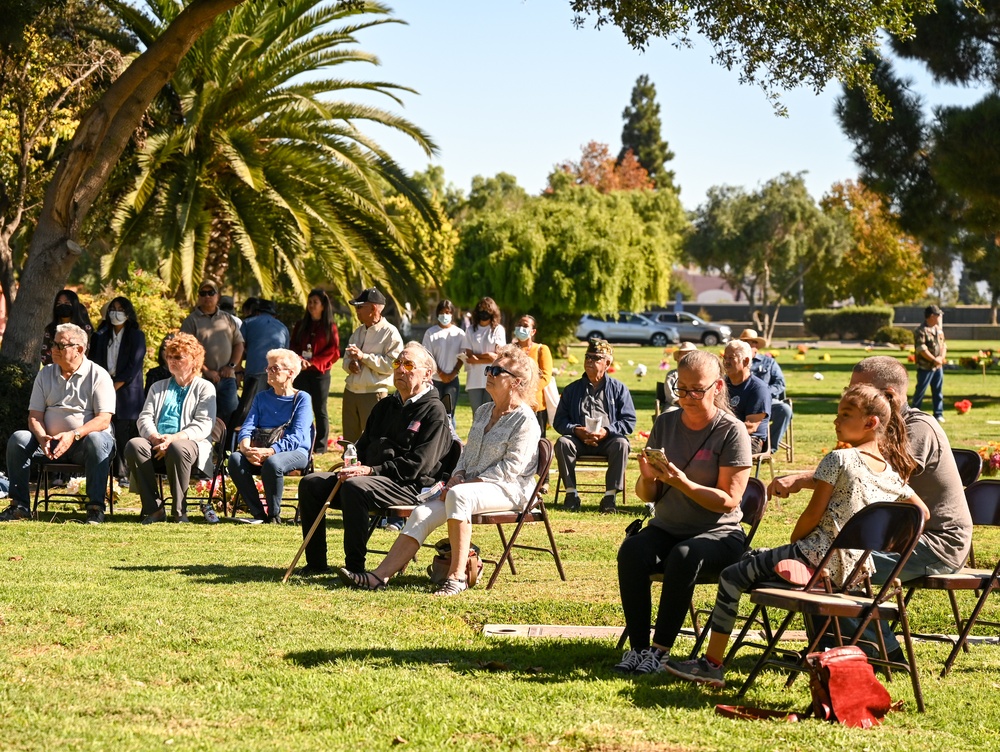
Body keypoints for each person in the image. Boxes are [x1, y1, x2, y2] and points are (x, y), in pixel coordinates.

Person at [664, 383, 929, 689]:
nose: (836, 420)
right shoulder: (889, 473)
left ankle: (711, 664)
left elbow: (812, 516)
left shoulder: (838, 459)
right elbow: (921, 513)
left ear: (871, 423)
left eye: (845, 414)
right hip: (855, 571)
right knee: (760, 559)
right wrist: (885, 537)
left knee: (732, 576)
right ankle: (789, 572)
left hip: (814, 556)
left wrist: (795, 542)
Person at [769, 355, 973, 655]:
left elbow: (864, 478)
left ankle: (882, 651)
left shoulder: (919, 429)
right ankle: (829, 646)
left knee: (831, 562)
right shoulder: (883, 429)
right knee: (819, 553)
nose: (851, 397)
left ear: (889, 395)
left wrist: (801, 478)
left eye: (860, 390)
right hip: (902, 537)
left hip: (936, 543)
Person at [340, 344, 541, 596]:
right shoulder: (483, 411)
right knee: (424, 511)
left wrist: (463, 485)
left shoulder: (525, 420)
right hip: (471, 487)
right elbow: (466, 456)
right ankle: (379, 577)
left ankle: (456, 577)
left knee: (458, 496)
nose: (488, 373)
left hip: (511, 490)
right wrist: (456, 476)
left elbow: (510, 470)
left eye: (497, 371)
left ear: (517, 383)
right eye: (489, 369)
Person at [613, 350, 750, 675]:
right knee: (632, 551)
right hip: (668, 526)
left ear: (717, 386)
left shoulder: (731, 431)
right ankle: (638, 649)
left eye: (697, 390)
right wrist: (648, 479)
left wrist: (683, 482)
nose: (688, 397)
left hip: (719, 534)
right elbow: (651, 494)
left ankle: (660, 652)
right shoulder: (666, 422)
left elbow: (729, 501)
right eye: (682, 388)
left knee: (684, 555)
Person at [296, 342, 452, 576]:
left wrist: (370, 471)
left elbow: (419, 466)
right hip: (373, 478)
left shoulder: (434, 411)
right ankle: (316, 563)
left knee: (355, 487)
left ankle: (355, 568)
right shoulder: (386, 406)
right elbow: (362, 446)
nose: (400, 369)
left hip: (410, 485)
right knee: (311, 483)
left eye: (408, 364)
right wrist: (353, 462)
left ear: (427, 374)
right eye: (397, 363)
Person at [3, 323, 115, 524]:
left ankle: (95, 508)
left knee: (98, 440)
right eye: (52, 344)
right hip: (49, 444)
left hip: (85, 444)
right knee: (19, 438)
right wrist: (42, 437)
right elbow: (34, 416)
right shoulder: (45, 374)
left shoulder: (98, 375)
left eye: (60, 346)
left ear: (79, 349)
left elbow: (103, 419)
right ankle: (19, 506)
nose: (52, 349)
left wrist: (74, 434)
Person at [125, 332, 218, 523]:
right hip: (157, 443)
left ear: (194, 360)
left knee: (178, 447)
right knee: (134, 444)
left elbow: (203, 425)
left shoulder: (205, 387)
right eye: (169, 356)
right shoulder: (158, 387)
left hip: (189, 447)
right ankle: (155, 509)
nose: (172, 361)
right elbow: (144, 418)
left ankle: (179, 512)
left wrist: (173, 438)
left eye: (178, 357)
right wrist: (155, 437)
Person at [229, 349, 313, 523]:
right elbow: (247, 427)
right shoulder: (261, 398)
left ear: (290, 373)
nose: (269, 372)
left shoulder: (302, 399)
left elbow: (297, 436)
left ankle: (274, 514)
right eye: (268, 368)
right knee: (235, 459)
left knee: (273, 462)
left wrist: (270, 451)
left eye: (274, 368)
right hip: (262, 449)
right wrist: (245, 449)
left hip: (295, 452)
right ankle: (258, 514)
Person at [553, 338, 636, 514]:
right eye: (587, 357)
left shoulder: (619, 389)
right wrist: (576, 430)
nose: (590, 361)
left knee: (622, 444)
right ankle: (571, 495)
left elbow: (629, 421)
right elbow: (559, 421)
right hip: (579, 440)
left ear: (607, 363)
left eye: (596, 358)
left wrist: (607, 431)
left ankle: (609, 498)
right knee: (563, 443)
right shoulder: (571, 389)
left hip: (608, 441)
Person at [90, 297, 147, 485]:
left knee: (124, 431)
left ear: (128, 312)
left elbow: (134, 365)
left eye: (120, 309)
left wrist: (114, 386)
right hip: (104, 385)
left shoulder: (136, 335)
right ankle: (108, 469)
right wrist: (104, 385)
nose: (116, 312)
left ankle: (124, 474)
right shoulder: (102, 334)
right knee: (105, 427)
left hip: (127, 390)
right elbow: (95, 361)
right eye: (112, 309)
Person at [341, 286, 403, 443]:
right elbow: (346, 359)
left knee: (373, 439)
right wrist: (351, 365)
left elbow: (392, 365)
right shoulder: (359, 331)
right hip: (351, 392)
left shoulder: (390, 333)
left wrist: (363, 357)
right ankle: (349, 466)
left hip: (373, 393)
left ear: (374, 308)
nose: (357, 310)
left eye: (360, 306)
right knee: (349, 442)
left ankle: (369, 467)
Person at [180, 281, 244, 426]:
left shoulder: (227, 319)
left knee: (230, 416)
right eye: (203, 293)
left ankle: (226, 448)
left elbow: (239, 344)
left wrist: (231, 366)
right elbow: (185, 350)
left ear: (218, 296)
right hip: (201, 378)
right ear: (198, 296)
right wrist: (206, 371)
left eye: (211, 293)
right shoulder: (191, 320)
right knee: (201, 417)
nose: (207, 297)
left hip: (227, 378)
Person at [290, 288, 341, 453]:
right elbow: (294, 345)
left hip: (320, 373)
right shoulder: (301, 325)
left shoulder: (329, 327)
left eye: (315, 302)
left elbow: (333, 351)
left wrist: (312, 362)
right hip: (302, 372)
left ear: (323, 306)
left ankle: (320, 445)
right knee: (300, 406)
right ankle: (300, 440)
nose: (311, 305)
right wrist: (300, 360)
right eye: (309, 302)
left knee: (320, 409)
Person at [740, 328, 793, 453]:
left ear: (756, 345)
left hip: (767, 403)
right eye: (744, 342)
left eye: (750, 342)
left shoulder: (769, 362)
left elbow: (780, 384)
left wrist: (762, 394)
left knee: (784, 410)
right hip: (742, 402)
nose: (747, 345)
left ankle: (769, 448)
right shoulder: (736, 362)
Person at [722, 339, 770, 453]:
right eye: (725, 357)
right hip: (723, 436)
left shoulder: (758, 388)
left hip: (750, 439)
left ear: (745, 361)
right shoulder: (721, 384)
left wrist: (719, 433)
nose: (726, 362)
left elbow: (751, 427)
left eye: (731, 358)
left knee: (720, 451)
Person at [422, 299, 465, 425]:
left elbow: (462, 356)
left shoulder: (459, 333)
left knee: (450, 414)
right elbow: (428, 356)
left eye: (447, 312)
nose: (445, 315)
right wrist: (440, 373)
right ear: (437, 313)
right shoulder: (430, 333)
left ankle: (452, 441)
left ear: (452, 313)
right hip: (434, 380)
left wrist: (453, 373)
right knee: (433, 413)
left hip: (452, 380)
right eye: (442, 312)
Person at [462, 296, 506, 413]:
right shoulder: (470, 330)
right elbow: (470, 356)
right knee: (477, 414)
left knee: (490, 413)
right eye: (481, 309)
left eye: (487, 309)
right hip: (474, 380)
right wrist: (487, 356)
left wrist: (478, 358)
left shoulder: (498, 330)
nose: (484, 312)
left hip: (492, 377)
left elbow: (497, 356)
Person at [512, 314, 553, 433]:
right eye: (519, 325)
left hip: (535, 404)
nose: (521, 328)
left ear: (533, 331)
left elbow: (546, 376)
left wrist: (526, 391)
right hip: (514, 404)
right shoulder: (510, 349)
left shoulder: (541, 349)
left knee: (537, 441)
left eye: (525, 326)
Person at [239, 298, 290, 396]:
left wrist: (237, 370)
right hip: (277, 374)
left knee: (251, 407)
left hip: (254, 372)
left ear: (257, 312)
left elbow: (239, 346)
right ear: (274, 315)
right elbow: (286, 354)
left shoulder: (248, 323)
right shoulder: (283, 328)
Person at [912, 304, 947, 423]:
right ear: (932, 316)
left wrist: (941, 358)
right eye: (938, 315)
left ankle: (938, 413)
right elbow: (921, 349)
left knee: (938, 391)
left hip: (938, 366)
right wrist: (933, 359)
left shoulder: (938, 329)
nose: (940, 317)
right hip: (925, 367)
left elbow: (943, 345)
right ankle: (914, 413)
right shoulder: (920, 330)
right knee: (920, 391)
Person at [41, 289, 93, 365]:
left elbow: (84, 353)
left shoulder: (84, 328)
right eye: (59, 303)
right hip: (53, 371)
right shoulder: (50, 328)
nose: (62, 305)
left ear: (74, 305)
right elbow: (45, 355)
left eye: (67, 303)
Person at [664, 342, 698, 407]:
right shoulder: (672, 375)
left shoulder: (700, 374)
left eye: (690, 355)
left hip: (696, 405)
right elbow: (672, 397)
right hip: (675, 406)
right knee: (669, 414)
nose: (687, 358)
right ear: (678, 358)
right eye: (684, 355)